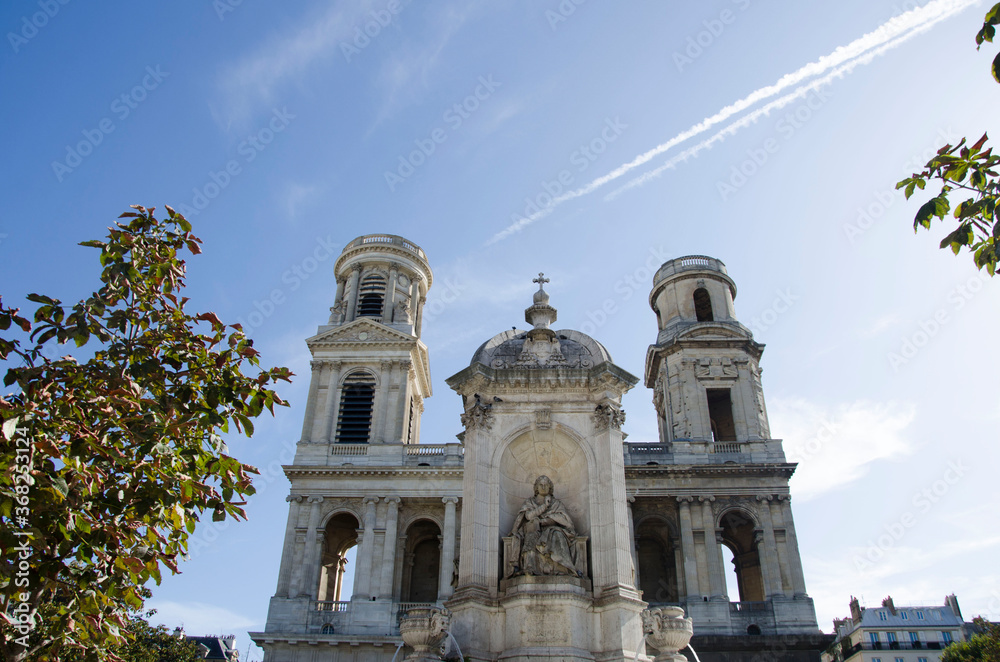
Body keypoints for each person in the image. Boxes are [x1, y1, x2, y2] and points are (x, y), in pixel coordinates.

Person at [509, 475, 579, 576]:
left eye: (546, 485)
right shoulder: (530, 502)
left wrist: (544, 521)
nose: (543, 487)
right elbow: (528, 516)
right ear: (536, 488)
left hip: (552, 529)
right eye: (540, 485)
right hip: (533, 529)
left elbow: (563, 519)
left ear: (550, 488)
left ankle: (561, 568)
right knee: (531, 533)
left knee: (557, 534)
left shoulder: (556, 503)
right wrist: (544, 506)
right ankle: (530, 566)